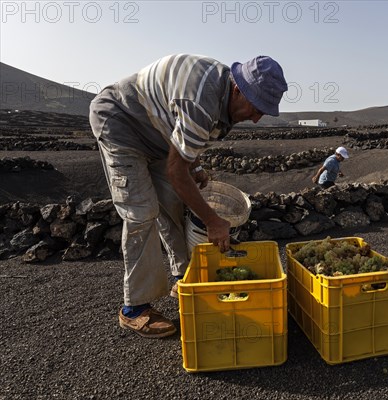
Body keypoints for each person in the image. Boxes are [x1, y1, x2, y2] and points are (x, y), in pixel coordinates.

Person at [89, 54, 287, 338]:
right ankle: (134, 308)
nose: (256, 118)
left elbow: (182, 137)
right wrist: (213, 221)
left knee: (173, 202)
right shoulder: (200, 100)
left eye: (263, 112)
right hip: (122, 123)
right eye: (256, 108)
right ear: (237, 90)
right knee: (142, 211)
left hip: (157, 135)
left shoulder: (221, 97)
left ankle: (185, 280)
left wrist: (196, 166)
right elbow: (176, 170)